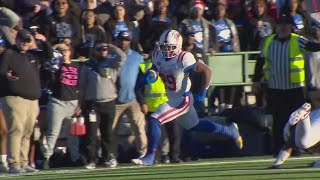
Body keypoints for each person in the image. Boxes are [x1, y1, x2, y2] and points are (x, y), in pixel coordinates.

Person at [132, 29, 243, 166]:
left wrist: (203, 91)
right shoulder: (158, 55)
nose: (166, 50)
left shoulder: (183, 57)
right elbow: (157, 68)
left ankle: (150, 157)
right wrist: (151, 74)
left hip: (182, 98)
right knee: (194, 125)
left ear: (177, 46)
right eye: (164, 47)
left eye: (169, 47)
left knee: (155, 119)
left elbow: (207, 70)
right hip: (172, 97)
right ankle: (229, 130)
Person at [253, 14, 320, 155]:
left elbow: (312, 46)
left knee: (296, 121)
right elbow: (260, 61)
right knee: (278, 121)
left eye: (286, 25)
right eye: (281, 25)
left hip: (295, 89)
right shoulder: (269, 41)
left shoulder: (297, 40)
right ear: (276, 26)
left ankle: (297, 150)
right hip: (276, 88)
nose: (283, 27)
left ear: (291, 27)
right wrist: (256, 80)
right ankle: (278, 149)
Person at [0, 29, 52, 174]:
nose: (25, 43)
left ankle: (23, 163)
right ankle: (13, 164)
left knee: (28, 132)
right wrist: (7, 76)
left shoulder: (33, 55)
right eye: (22, 40)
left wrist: (44, 40)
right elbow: (1, 71)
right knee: (16, 130)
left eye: (28, 41)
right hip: (14, 98)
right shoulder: (9, 53)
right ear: (16, 40)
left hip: (32, 100)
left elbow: (49, 56)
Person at [78, 41, 126, 169]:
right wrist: (79, 104)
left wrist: (111, 46)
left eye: (105, 49)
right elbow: (82, 87)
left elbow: (123, 57)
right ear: (95, 51)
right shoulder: (88, 65)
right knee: (91, 134)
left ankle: (107, 157)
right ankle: (91, 159)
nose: (102, 51)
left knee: (107, 133)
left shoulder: (112, 63)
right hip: (92, 104)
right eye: (99, 49)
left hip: (109, 102)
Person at [107, 31, 147, 167]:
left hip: (133, 99)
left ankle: (143, 154)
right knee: (111, 131)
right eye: (121, 39)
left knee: (139, 128)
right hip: (114, 100)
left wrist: (142, 101)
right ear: (117, 40)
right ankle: (111, 156)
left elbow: (142, 80)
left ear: (130, 41)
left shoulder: (137, 57)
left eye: (126, 39)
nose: (123, 42)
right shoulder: (110, 56)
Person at [41, 43, 82, 169]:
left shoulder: (77, 66)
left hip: (73, 103)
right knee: (53, 132)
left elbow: (81, 87)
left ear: (70, 52)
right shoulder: (55, 66)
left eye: (66, 50)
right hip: (57, 102)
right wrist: (56, 47)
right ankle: (46, 158)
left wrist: (80, 104)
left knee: (73, 134)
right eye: (61, 51)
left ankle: (75, 158)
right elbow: (48, 59)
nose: (64, 52)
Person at [270, 102, 320, 168]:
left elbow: (290, 143)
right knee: (304, 143)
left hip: (313, 114)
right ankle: (305, 117)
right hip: (310, 117)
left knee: (302, 142)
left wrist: (276, 164)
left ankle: (304, 117)